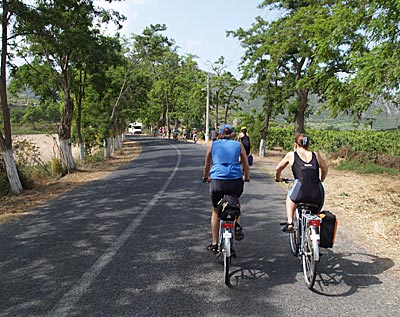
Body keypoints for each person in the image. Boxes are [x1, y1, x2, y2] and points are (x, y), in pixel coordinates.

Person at [203, 124, 250, 254]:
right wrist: (246, 177)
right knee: (236, 203)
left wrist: (205, 176)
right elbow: (246, 164)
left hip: (217, 180)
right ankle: (237, 226)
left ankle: (214, 243)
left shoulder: (213, 144)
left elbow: (207, 164)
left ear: (219, 133)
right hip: (235, 180)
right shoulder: (238, 145)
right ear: (233, 134)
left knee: (215, 210)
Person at [275, 133, 328, 232]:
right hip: (317, 192)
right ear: (308, 145)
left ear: (295, 144)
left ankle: (290, 223)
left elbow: (278, 169)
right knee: (314, 215)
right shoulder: (315, 155)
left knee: (290, 197)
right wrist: (321, 180)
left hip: (301, 191)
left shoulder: (292, 155)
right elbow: (325, 168)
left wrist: (278, 178)